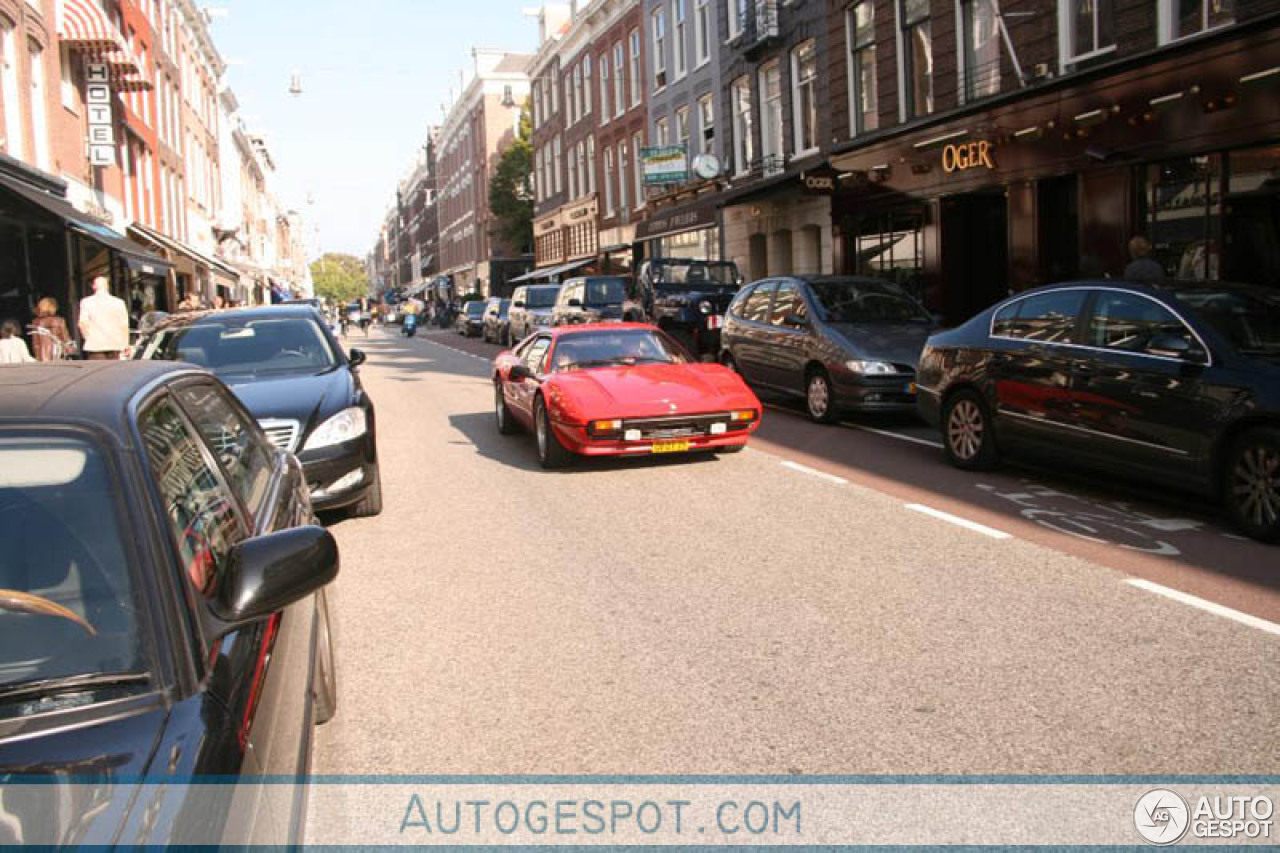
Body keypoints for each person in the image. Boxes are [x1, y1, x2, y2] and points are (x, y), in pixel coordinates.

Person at [78, 275, 130, 360]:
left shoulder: (86, 302)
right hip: (114, 344)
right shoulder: (119, 303)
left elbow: (82, 323)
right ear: (107, 286)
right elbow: (124, 325)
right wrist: (125, 344)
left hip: (95, 345)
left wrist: (89, 338)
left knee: (97, 371)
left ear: (94, 286)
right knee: (112, 371)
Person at [30, 297, 72, 361]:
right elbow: (65, 337)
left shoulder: (36, 322)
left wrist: (37, 355)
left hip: (42, 355)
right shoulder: (59, 321)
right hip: (57, 352)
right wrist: (70, 348)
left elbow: (35, 343)